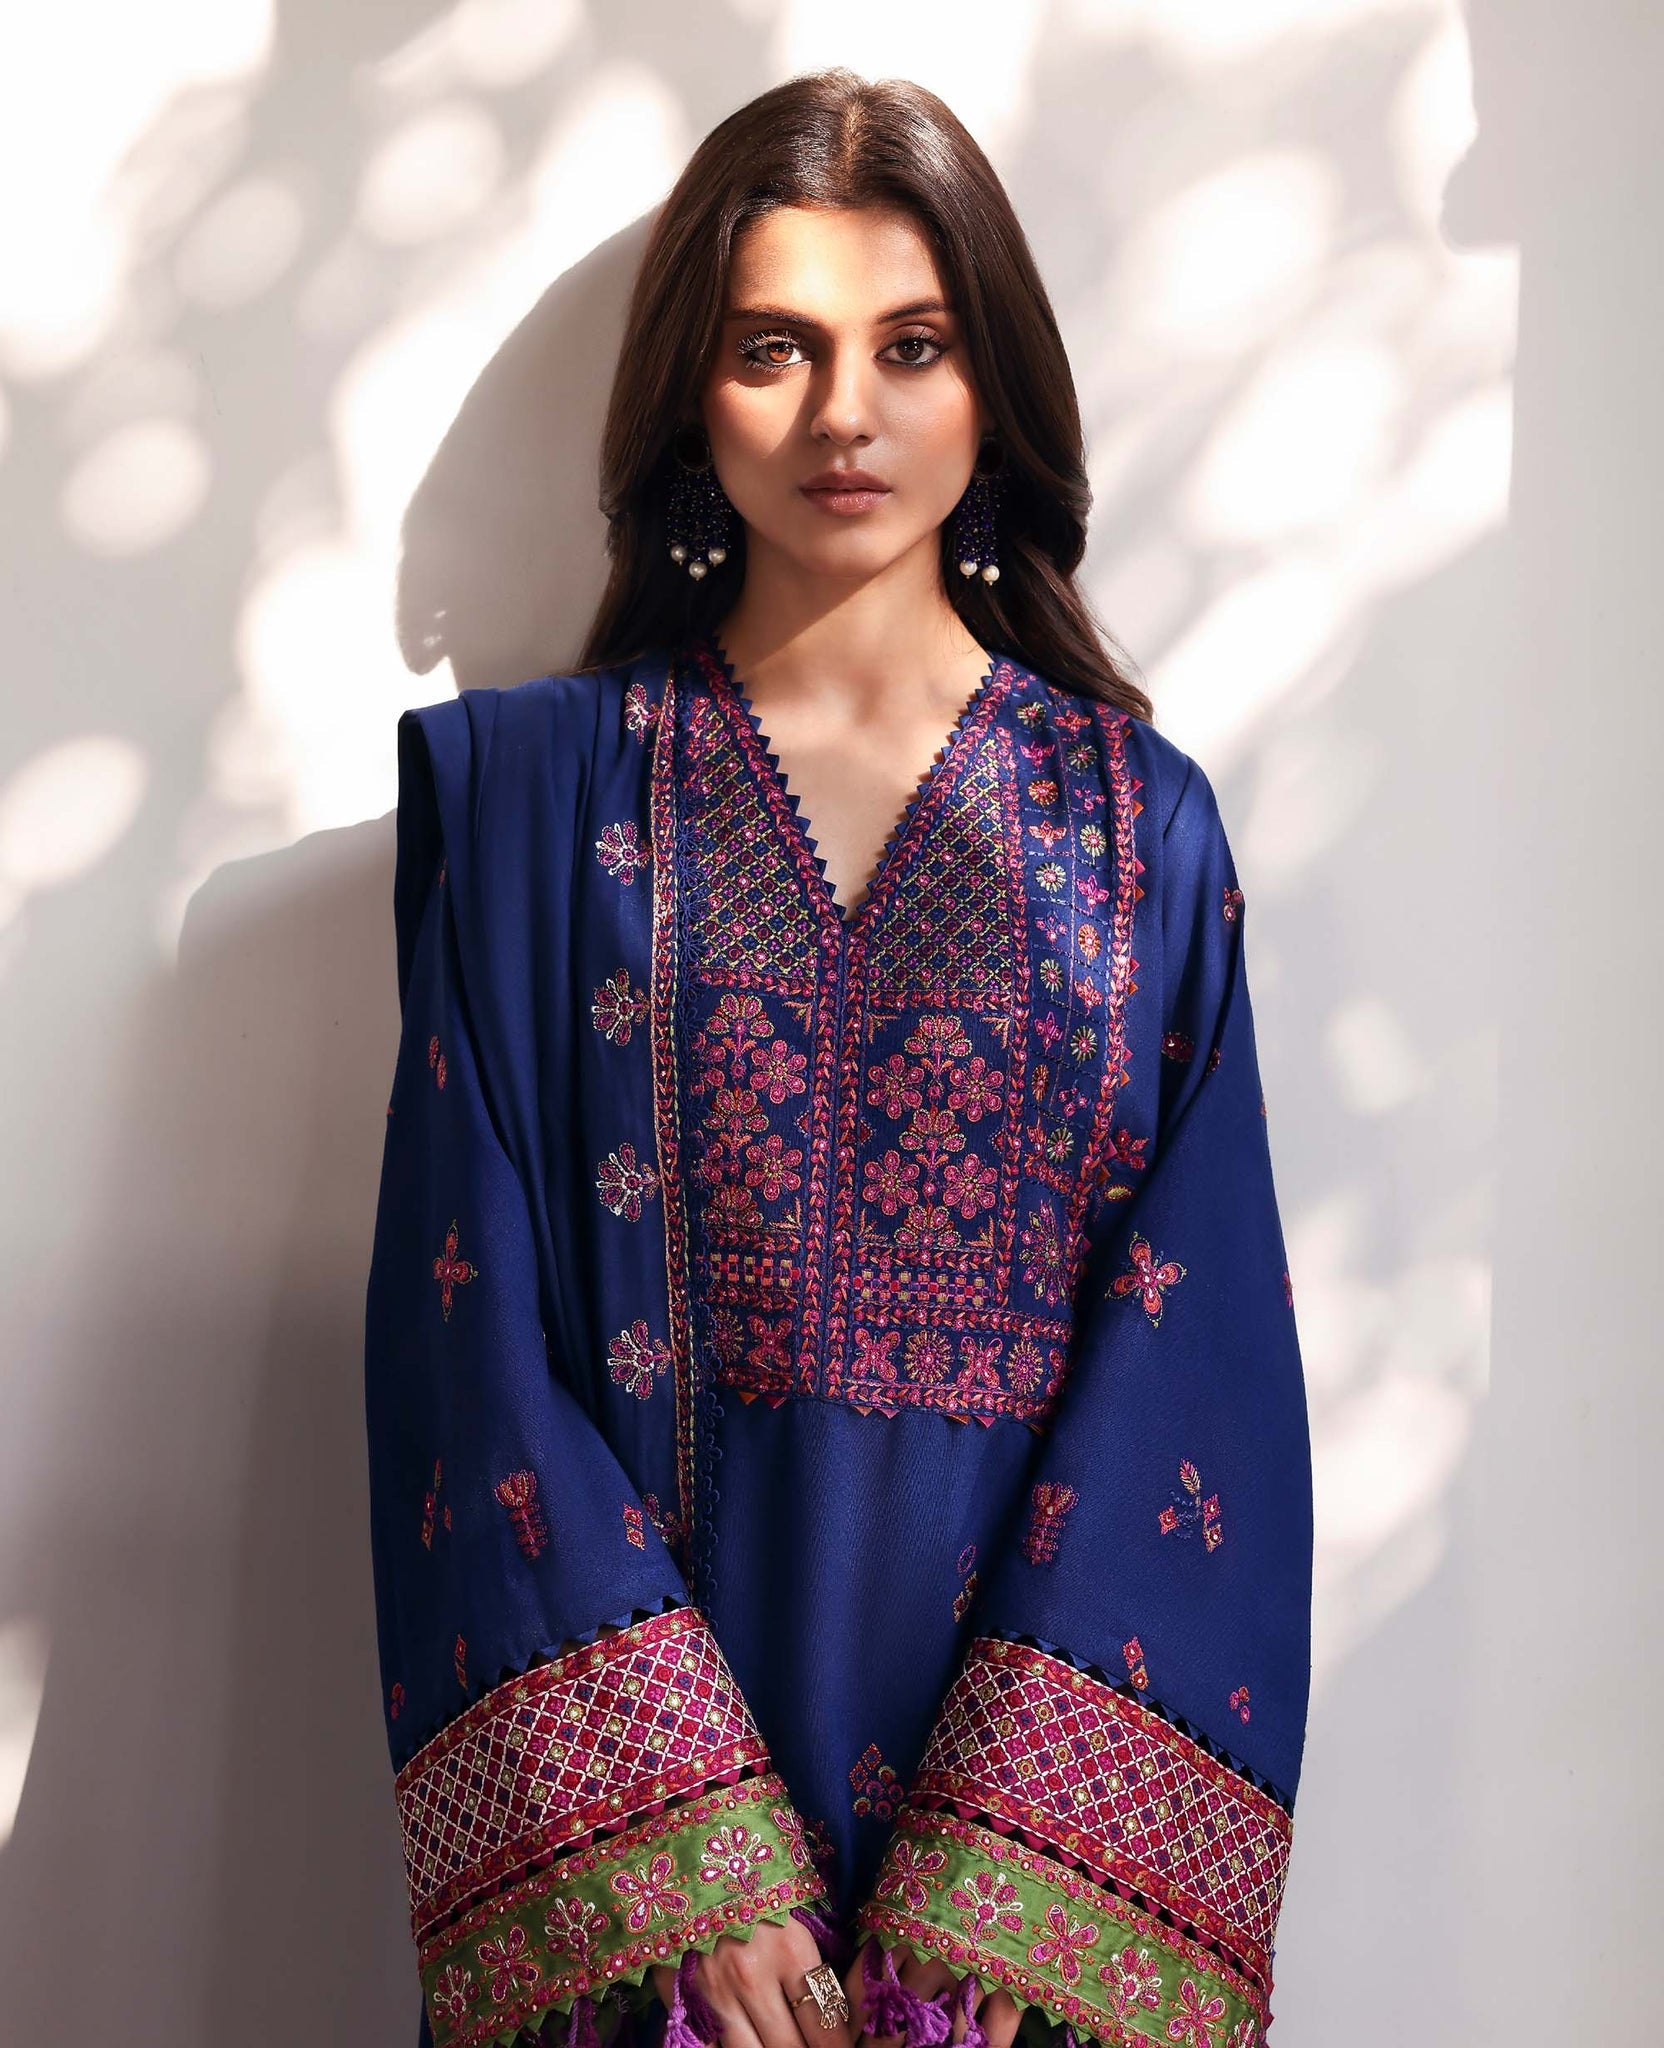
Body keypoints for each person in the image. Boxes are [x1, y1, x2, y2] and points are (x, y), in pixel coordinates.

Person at [363, 66, 1314, 2048]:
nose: (844, 416)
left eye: (912, 345)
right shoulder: (541, 808)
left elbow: (1200, 1375)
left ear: (996, 387)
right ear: (688, 402)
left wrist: (1005, 1905)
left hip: (1006, 1949)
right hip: (659, 1941)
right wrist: (681, 1873)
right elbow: (467, 1354)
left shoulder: (1138, 834)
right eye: (773, 350)